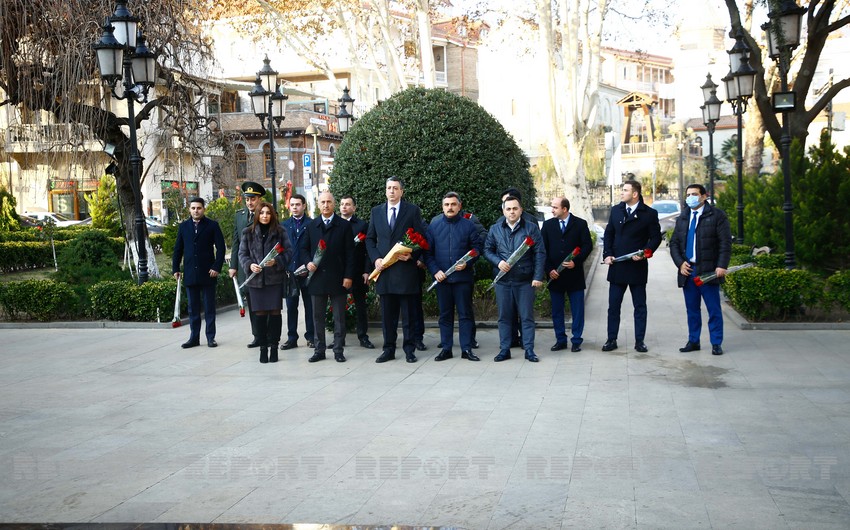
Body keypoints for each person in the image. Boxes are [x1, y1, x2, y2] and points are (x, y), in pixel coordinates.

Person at [366, 176, 428, 363]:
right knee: (387, 316)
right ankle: (388, 349)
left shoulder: (412, 211)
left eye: (395, 188)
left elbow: (420, 238)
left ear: (401, 191)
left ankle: (409, 349)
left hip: (405, 271)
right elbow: (370, 239)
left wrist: (412, 256)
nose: (391, 191)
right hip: (384, 271)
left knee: (408, 315)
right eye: (388, 188)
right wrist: (376, 258)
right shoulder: (376, 212)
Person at [669, 184, 732, 356]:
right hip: (688, 271)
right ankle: (693, 340)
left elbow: (725, 244)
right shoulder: (683, 217)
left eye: (695, 194)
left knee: (713, 309)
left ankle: (716, 342)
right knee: (692, 310)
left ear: (704, 196)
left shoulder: (717, 216)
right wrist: (680, 263)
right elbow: (674, 243)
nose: (691, 197)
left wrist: (721, 265)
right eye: (688, 194)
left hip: (708, 271)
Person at [602, 180, 662, 353]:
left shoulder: (649, 214)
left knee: (640, 306)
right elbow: (609, 235)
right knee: (613, 306)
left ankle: (639, 341)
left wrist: (645, 252)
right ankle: (611, 339)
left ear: (635, 194)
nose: (622, 193)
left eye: (625, 190)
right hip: (617, 266)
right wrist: (607, 255)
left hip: (637, 266)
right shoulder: (616, 210)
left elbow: (655, 238)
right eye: (622, 190)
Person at [484, 195, 546, 362]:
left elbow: (539, 253)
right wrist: (498, 262)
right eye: (508, 209)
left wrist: (538, 276)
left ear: (521, 210)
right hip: (503, 281)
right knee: (504, 317)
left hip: (525, 281)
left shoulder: (531, 228)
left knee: (526, 317)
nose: (512, 212)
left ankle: (529, 350)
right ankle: (505, 349)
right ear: (503, 211)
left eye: (515, 208)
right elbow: (487, 250)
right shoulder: (495, 229)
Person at [424, 192, 482, 362]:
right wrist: (435, 271)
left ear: (459, 206)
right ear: (442, 207)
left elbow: (477, 248)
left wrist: (468, 263)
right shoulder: (433, 227)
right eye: (446, 205)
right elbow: (428, 253)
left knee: (465, 315)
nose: (450, 207)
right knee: (445, 315)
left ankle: (466, 349)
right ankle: (446, 349)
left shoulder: (469, 226)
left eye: (453, 204)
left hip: (463, 279)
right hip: (442, 280)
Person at [300, 191, 355, 363]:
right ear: (318, 204)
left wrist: (348, 276)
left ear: (334, 203)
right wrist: (308, 262)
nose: (325, 205)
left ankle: (338, 349)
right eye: (322, 202)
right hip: (316, 278)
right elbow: (302, 249)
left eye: (329, 202)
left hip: (338, 278)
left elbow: (350, 254)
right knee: (317, 317)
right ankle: (319, 350)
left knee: (339, 317)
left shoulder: (344, 226)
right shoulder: (311, 226)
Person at [238, 201, 293, 363]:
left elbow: (289, 252)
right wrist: (249, 265)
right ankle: (263, 348)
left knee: (275, 313)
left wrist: (277, 262)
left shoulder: (280, 231)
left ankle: (274, 347)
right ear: (257, 215)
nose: (264, 216)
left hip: (274, 280)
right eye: (261, 213)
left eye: (268, 213)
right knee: (259, 315)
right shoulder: (247, 232)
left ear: (272, 215)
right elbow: (242, 254)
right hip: (256, 282)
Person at [172, 197, 226, 349]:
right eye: (193, 208)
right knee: (192, 308)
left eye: (199, 208)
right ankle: (194, 338)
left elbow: (221, 249)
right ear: (189, 209)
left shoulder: (212, 226)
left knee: (209, 307)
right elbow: (178, 249)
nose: (196, 211)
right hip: (190, 273)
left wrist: (216, 267)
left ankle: (210, 337)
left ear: (204, 209)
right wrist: (175, 268)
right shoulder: (183, 227)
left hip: (208, 273)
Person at [541, 197, 593, 353]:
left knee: (577, 310)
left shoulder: (580, 224)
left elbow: (587, 246)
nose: (552, 210)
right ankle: (560, 340)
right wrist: (549, 269)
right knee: (557, 310)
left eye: (555, 207)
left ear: (564, 209)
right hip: (555, 276)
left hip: (574, 275)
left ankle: (576, 340)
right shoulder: (548, 225)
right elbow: (542, 250)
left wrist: (575, 262)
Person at [228, 181, 265, 348]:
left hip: (262, 266)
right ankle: (257, 336)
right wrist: (233, 266)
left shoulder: (266, 214)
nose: (249, 202)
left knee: (265, 303)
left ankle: (269, 335)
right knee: (252, 303)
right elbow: (236, 242)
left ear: (259, 199)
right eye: (247, 199)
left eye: (253, 198)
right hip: (245, 266)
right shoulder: (240, 215)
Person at [339, 195, 375, 349]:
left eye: (348, 204)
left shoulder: (362, 225)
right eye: (342, 204)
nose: (344, 207)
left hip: (358, 271)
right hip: (339, 272)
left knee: (360, 306)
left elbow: (368, 251)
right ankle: (339, 338)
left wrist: (367, 271)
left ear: (354, 207)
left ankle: (363, 336)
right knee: (338, 306)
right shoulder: (334, 224)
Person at [281, 194, 315, 350]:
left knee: (310, 306)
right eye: (292, 204)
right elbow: (280, 249)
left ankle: (311, 337)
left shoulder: (312, 224)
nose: (294, 207)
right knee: (291, 306)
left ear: (304, 206)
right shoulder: (283, 226)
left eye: (298, 204)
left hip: (307, 272)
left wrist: (309, 265)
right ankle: (292, 337)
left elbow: (314, 248)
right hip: (290, 273)